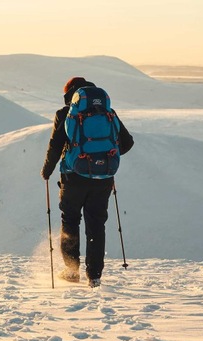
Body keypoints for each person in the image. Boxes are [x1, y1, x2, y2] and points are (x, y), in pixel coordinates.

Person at [41, 77, 134, 288]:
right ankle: (94, 276)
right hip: (103, 179)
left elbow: (55, 146)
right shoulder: (108, 114)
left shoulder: (65, 114)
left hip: (73, 178)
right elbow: (127, 143)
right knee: (96, 225)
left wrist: (47, 170)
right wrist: (104, 157)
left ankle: (72, 271)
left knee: (70, 221)